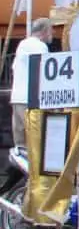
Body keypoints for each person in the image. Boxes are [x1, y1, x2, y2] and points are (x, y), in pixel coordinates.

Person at [10, 18, 52, 149]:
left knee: (20, 143)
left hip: (17, 97)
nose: (53, 33)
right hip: (31, 100)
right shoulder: (40, 46)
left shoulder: (22, 44)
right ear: (44, 31)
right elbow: (46, 73)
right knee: (36, 142)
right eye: (51, 30)